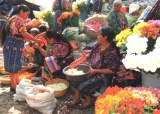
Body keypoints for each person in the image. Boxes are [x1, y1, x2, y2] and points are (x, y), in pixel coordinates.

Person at [68, 26, 121, 108]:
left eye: (99, 34)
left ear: (105, 37)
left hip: (103, 76)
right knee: (74, 80)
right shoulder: (98, 45)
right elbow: (92, 54)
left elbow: (112, 70)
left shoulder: (111, 52)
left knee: (82, 86)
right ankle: (77, 98)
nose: (97, 36)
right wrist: (87, 56)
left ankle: (88, 101)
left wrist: (95, 71)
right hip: (92, 69)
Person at [3, 4, 42, 90]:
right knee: (13, 65)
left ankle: (16, 83)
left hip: (10, 44)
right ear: (21, 12)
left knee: (13, 65)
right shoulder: (18, 20)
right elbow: (24, 34)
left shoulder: (12, 18)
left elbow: (21, 35)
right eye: (27, 14)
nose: (27, 16)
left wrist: (31, 41)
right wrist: (36, 40)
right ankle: (13, 85)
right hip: (14, 45)